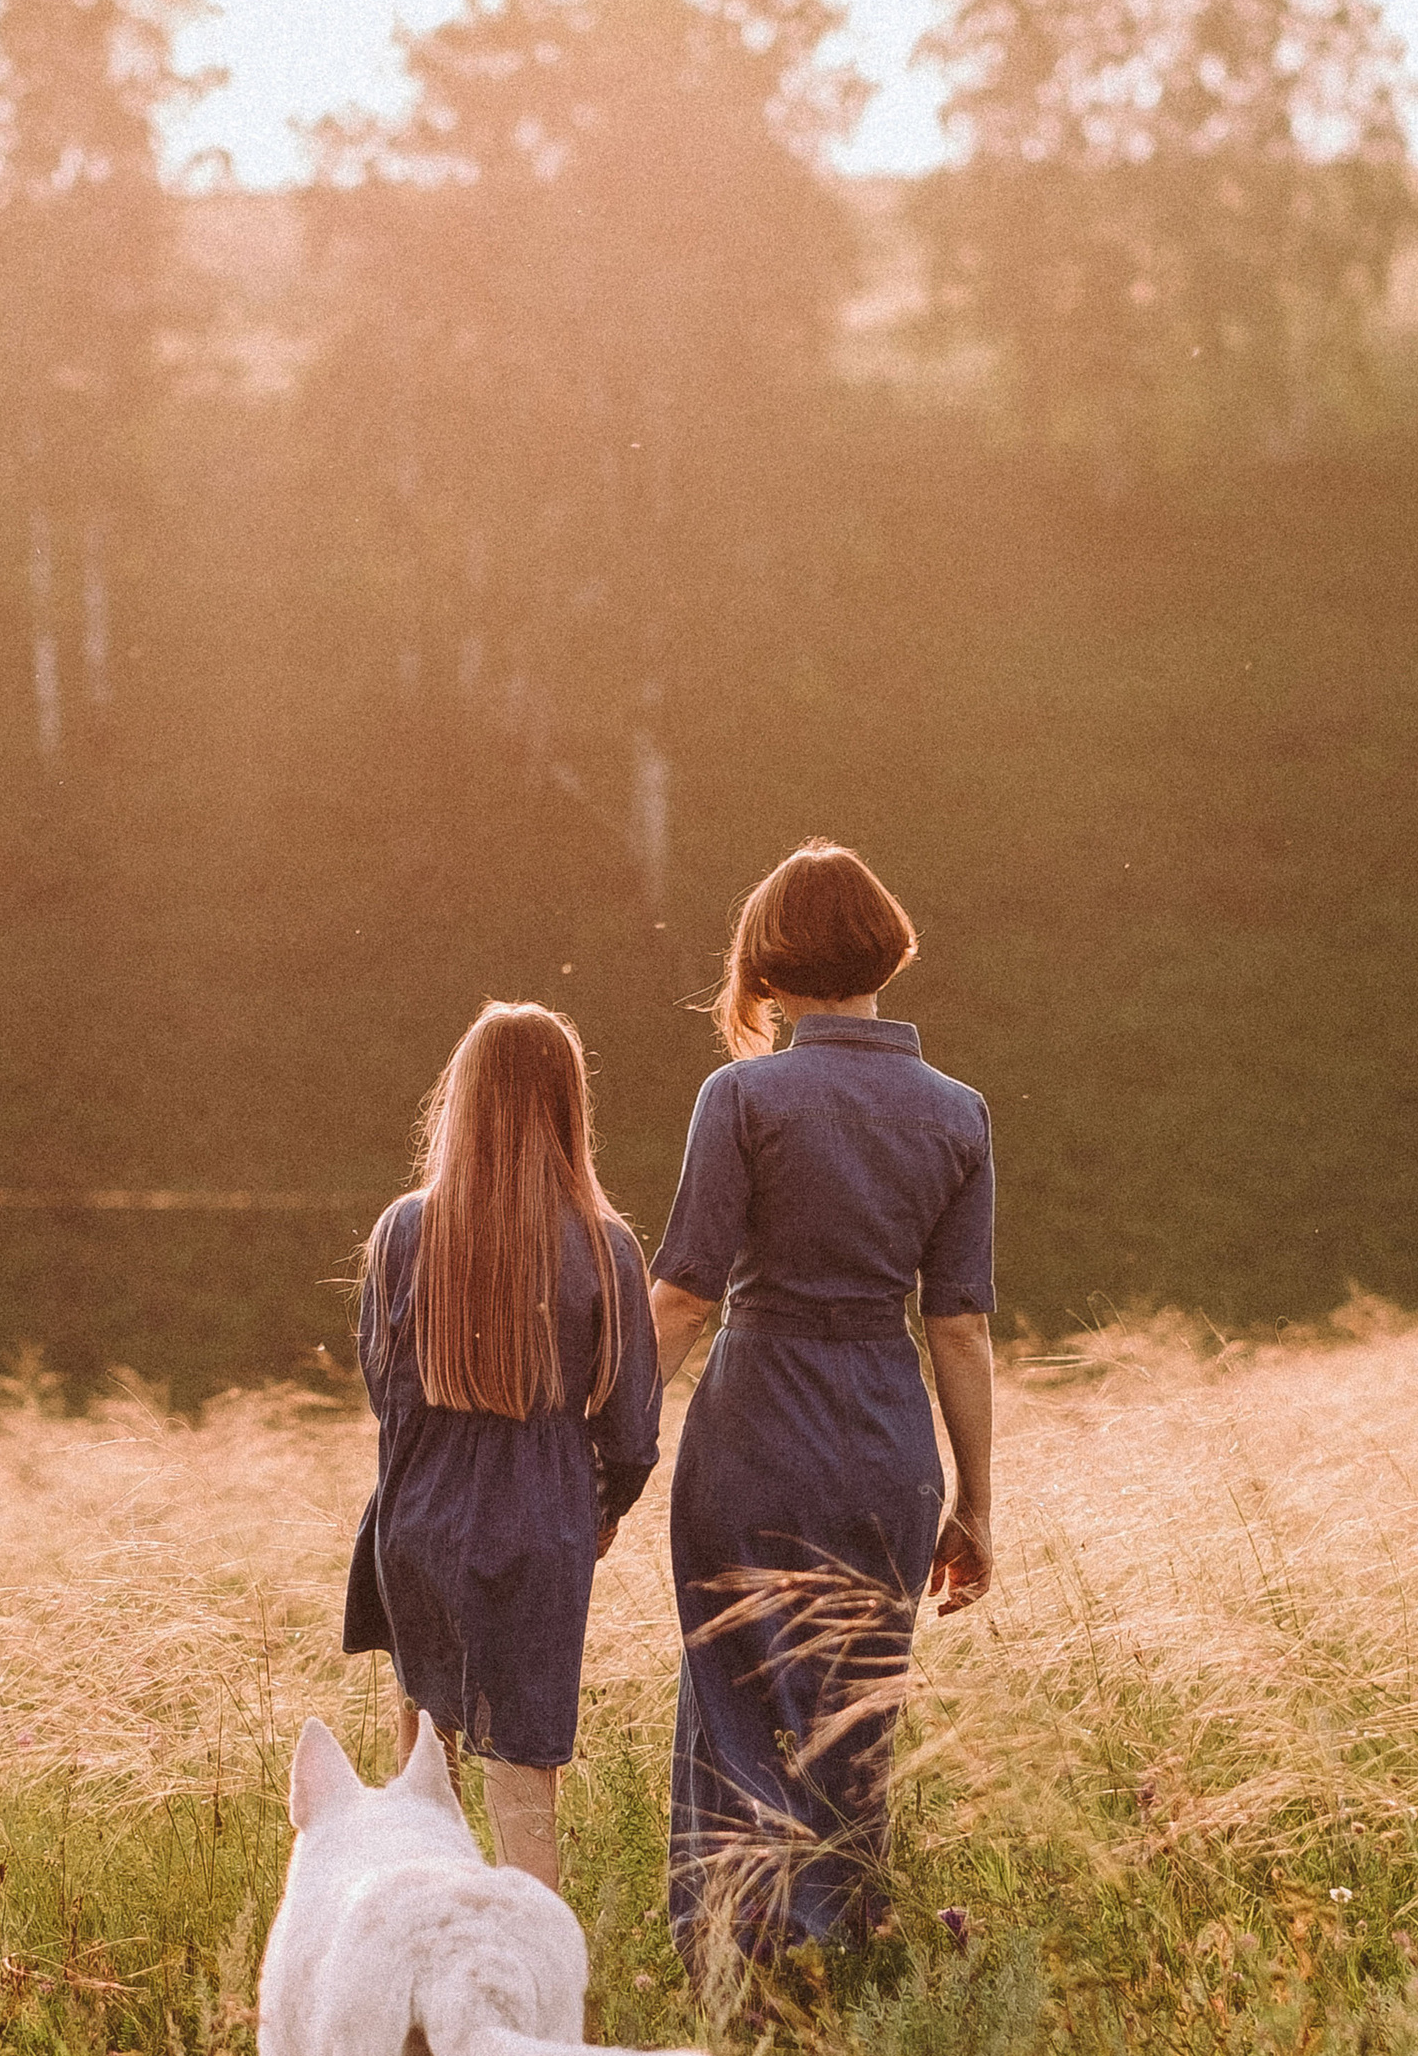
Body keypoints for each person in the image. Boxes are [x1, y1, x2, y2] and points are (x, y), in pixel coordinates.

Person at [648, 841, 994, 1970]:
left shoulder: (743, 1096)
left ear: (772, 966)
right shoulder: (959, 1114)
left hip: (754, 1428)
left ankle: (736, 1964)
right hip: (888, 1443)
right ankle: (843, 1955)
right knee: (856, 1718)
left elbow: (689, 1292)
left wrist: (602, 1436)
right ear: (882, 952)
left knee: (736, 1695)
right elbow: (959, 1324)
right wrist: (973, 1502)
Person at [344, 1002, 662, 1889]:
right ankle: (536, 1998)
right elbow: (633, 1432)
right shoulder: (606, 1245)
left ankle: (418, 1997)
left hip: (420, 1522)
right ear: (569, 1104)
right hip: (541, 1528)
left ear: (462, 1098)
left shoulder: (405, 1230)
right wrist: (595, 1511)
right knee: (525, 1800)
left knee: (422, 1794)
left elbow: (387, 1392)